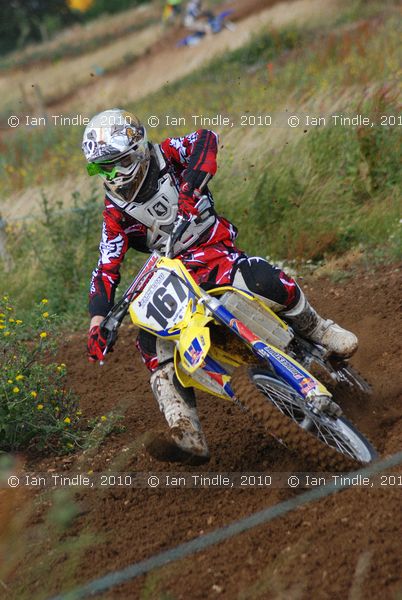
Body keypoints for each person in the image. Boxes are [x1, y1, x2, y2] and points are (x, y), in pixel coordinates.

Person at [82, 108, 358, 459]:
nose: (109, 175)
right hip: (174, 273)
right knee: (150, 341)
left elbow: (206, 139)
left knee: (260, 277)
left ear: (134, 153)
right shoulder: (114, 213)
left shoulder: (166, 155)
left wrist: (190, 186)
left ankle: (320, 329)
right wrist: (98, 323)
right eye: (99, 169)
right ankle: (185, 430)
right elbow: (106, 268)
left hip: (213, 251)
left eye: (112, 165)